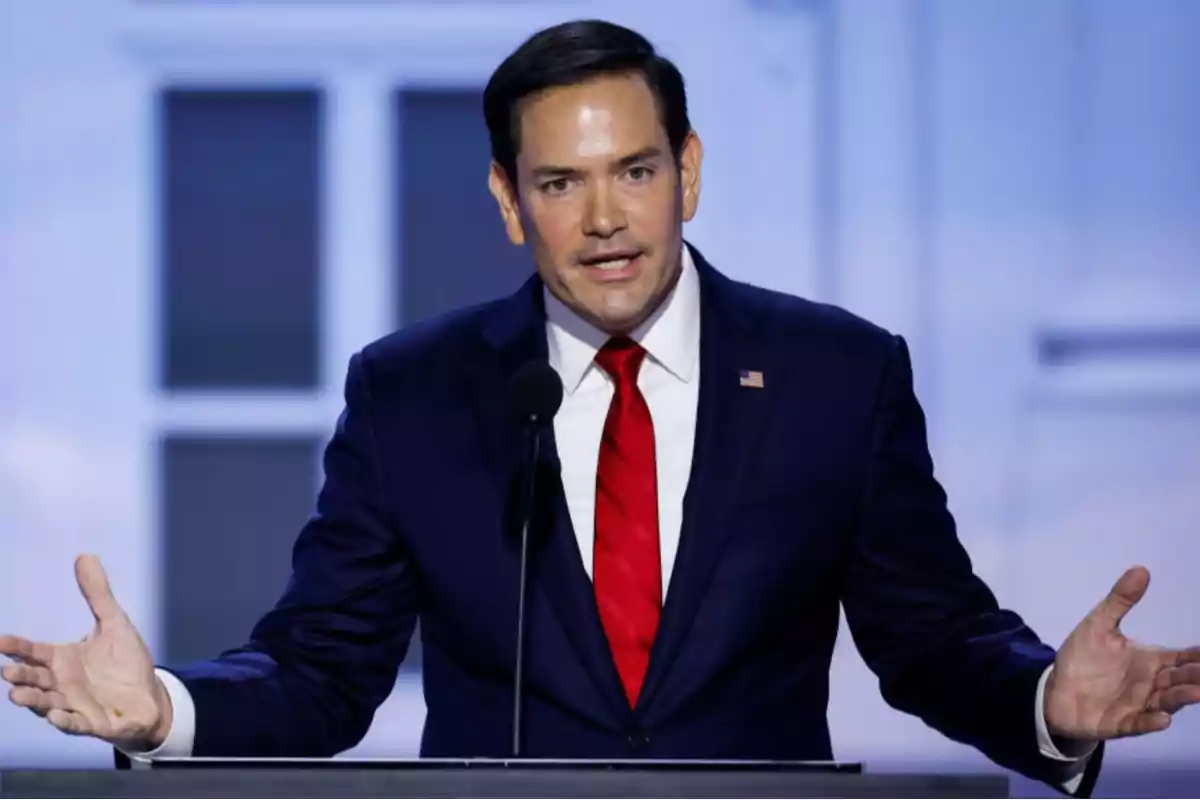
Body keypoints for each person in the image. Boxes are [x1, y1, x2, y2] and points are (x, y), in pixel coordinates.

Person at [3, 18, 1198, 796]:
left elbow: (931, 636)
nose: (607, 218)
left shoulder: (839, 374)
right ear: (509, 202)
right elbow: (322, 669)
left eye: (634, 170)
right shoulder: (414, 392)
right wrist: (166, 708)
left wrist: (1049, 698)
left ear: (688, 169)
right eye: (560, 183)